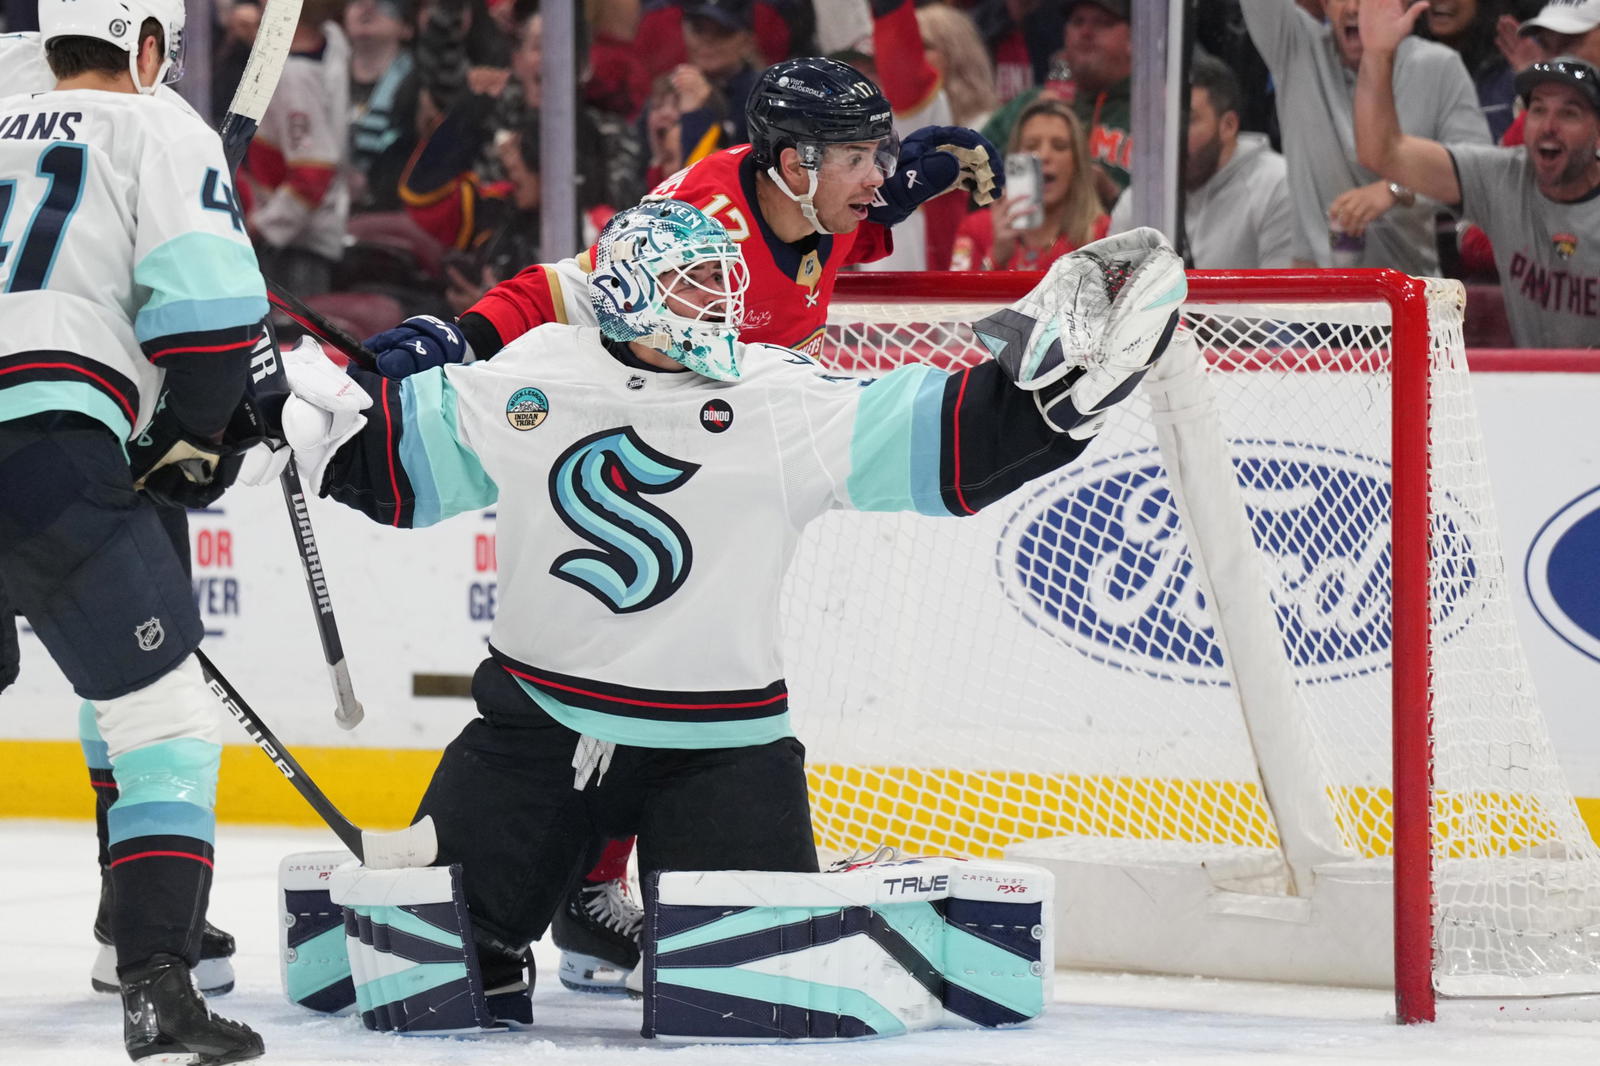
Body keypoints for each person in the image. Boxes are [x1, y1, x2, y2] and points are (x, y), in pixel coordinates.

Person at [259, 198, 1185, 1029]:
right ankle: (544, 915)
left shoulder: (777, 396)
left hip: (720, 748)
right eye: (696, 283)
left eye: (725, 283)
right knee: (438, 976)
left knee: (746, 994)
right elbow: (393, 464)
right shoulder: (530, 374)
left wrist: (1048, 408)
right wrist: (299, 418)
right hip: (536, 732)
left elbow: (947, 438)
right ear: (627, 294)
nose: (722, 306)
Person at [361, 55, 1001, 992]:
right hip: (647, 447)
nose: (879, 172)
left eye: (882, 152)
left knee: (690, 672)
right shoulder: (704, 220)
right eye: (861, 156)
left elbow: (825, 248)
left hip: (732, 451)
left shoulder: (802, 197)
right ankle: (583, 891)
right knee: (646, 675)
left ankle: (595, 893)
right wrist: (461, 337)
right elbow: (565, 290)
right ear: (794, 162)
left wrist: (888, 193)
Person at [0, 0, 269, 1060]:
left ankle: (125, 923)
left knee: (115, 681)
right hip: (46, 446)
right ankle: (156, 981)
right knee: (159, 713)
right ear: (149, 43)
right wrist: (190, 435)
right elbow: (209, 325)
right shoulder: (160, 124)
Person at [1357, 0, 1600, 348]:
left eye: (1569, 113)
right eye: (1538, 108)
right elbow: (1382, 153)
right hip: (1537, 378)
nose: (1548, 126)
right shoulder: (1503, 176)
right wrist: (1377, 56)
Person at [1241, 0, 1491, 273]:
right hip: (1313, 284)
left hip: (1405, 281)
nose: (1353, 8)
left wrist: (1397, 189)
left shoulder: (1439, 66)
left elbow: (1476, 175)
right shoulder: (1295, 46)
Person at [1109, 52, 1296, 269]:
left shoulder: (1277, 185)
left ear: (1228, 126)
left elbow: (1283, 289)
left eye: (1187, 120)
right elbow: (1113, 286)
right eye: (1162, 120)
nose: (1170, 135)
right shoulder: (1140, 198)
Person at [241, 0, 352, 298]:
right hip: (307, 232)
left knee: (290, 326)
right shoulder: (333, 38)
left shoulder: (296, 76)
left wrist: (259, 226)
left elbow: (312, 175)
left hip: (297, 248)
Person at [982, 0, 1133, 209]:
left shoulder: (1152, 113)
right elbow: (966, 176)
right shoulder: (1031, 104)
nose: (1086, 32)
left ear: (1133, 38)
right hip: (1028, 226)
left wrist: (1112, 194)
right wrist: (1023, 134)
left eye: (1102, 23)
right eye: (1077, 22)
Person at [952, 96, 1110, 270]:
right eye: (1031, 146)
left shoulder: (1103, 234)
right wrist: (996, 258)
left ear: (1077, 163)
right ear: (1014, 158)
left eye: (1059, 146)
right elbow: (955, 288)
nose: (1044, 156)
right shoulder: (975, 228)